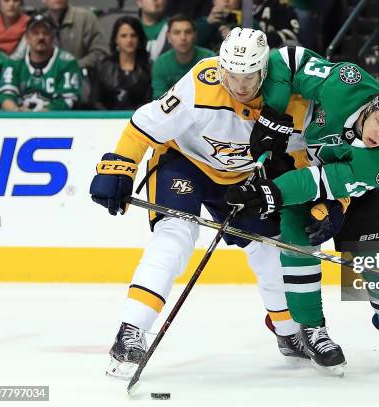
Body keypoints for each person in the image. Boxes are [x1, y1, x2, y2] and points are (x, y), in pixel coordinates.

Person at [89, 28, 311, 379]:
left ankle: (287, 332)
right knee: (175, 236)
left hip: (241, 178)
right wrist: (120, 165)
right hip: (183, 161)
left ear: (264, 72)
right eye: (232, 74)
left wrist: (305, 201)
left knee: (269, 248)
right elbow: (142, 126)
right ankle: (131, 330)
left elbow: (301, 158)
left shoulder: (292, 101)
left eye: (248, 76)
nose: (239, 85)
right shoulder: (202, 81)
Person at [226, 46, 379, 375]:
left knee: (378, 263)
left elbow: (321, 183)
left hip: (330, 184)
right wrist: (272, 113)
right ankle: (313, 330)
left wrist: (273, 193)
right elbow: (284, 60)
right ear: (374, 104)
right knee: (297, 246)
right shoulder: (347, 82)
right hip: (297, 164)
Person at [0, 14, 82, 111]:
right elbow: (5, 95)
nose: (41, 37)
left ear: (53, 36)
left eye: (46, 33)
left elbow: (68, 100)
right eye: (35, 33)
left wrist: (38, 116)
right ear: (27, 37)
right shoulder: (14, 61)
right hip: (20, 121)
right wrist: (16, 111)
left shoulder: (67, 63)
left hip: (55, 122)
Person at [91, 16, 152, 110]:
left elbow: (149, 102)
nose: (129, 40)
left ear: (139, 38)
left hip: (138, 120)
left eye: (133, 35)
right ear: (116, 39)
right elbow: (95, 100)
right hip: (106, 120)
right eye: (124, 36)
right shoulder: (104, 66)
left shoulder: (149, 67)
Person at [151, 14, 215, 100]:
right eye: (177, 33)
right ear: (168, 37)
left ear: (195, 35)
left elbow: (213, 95)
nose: (183, 37)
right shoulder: (161, 63)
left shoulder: (209, 59)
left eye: (188, 32)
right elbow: (159, 99)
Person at [43, 0, 109, 76]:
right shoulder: (40, 23)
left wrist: (75, 66)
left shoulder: (85, 18)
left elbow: (101, 51)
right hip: (49, 78)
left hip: (82, 77)